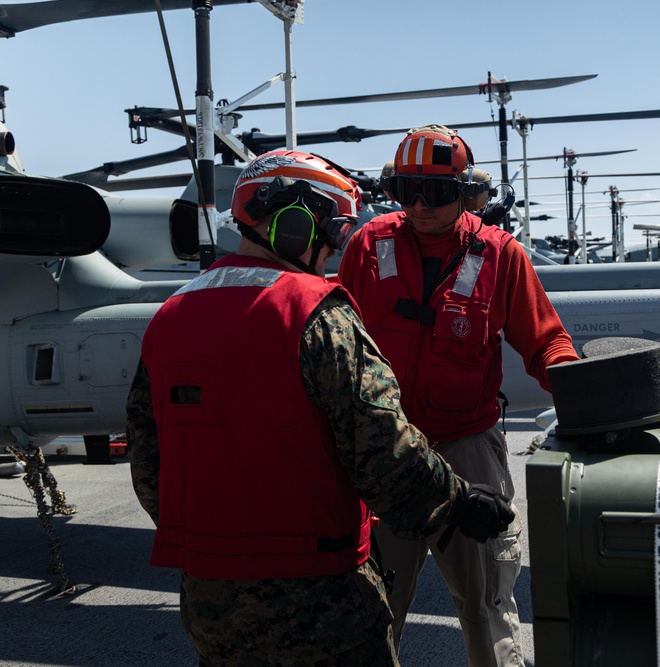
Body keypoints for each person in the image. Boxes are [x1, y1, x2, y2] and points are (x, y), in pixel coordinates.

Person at [126, 149, 514, 667]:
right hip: (321, 597)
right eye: (333, 230)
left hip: (208, 601)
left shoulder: (169, 317)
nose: (335, 248)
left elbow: (149, 466)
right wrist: (461, 502)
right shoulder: (316, 314)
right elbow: (383, 452)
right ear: (295, 224)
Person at [338, 125, 579, 667]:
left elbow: (546, 340)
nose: (420, 206)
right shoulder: (368, 246)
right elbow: (336, 342)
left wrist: (584, 395)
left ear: (464, 190)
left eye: (437, 193)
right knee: (375, 605)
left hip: (468, 447)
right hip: (387, 453)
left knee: (486, 606)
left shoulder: (499, 255)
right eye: (407, 191)